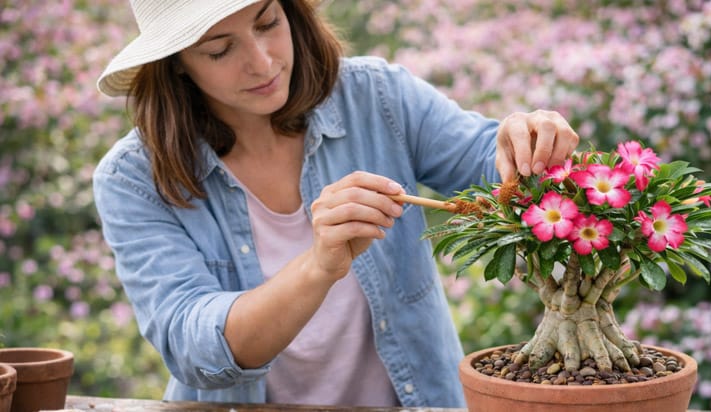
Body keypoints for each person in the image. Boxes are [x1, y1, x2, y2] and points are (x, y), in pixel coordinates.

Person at [93, 0, 580, 407]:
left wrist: (527, 142)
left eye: (267, 23)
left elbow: (484, 162)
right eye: (220, 50)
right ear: (176, 60)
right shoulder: (133, 178)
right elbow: (195, 348)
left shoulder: (378, 97)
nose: (262, 62)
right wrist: (318, 265)